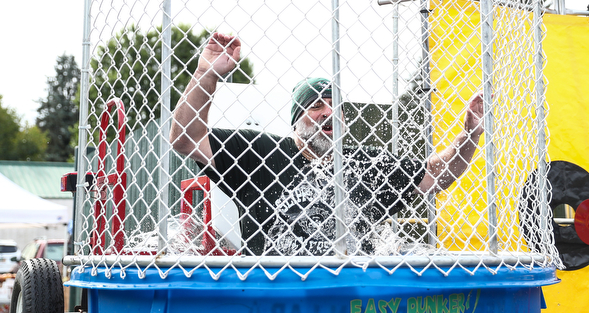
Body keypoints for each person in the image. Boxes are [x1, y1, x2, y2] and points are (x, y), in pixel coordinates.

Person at [170, 32, 485, 256]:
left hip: (351, 295)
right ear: (297, 119)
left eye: (335, 105)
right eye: (316, 105)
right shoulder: (259, 154)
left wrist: (469, 135)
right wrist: (205, 73)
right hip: (279, 297)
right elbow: (185, 138)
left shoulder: (367, 165)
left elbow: (437, 174)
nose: (328, 112)